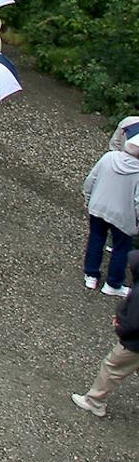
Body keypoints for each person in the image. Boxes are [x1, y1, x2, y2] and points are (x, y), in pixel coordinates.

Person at [72, 271, 139, 417]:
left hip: (134, 345)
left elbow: (134, 324)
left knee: (111, 367)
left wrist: (120, 326)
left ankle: (94, 402)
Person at [83, 136, 139, 296]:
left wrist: (87, 198)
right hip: (122, 216)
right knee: (121, 247)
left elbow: (91, 179)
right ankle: (113, 284)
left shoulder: (108, 157)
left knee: (96, 238)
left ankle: (91, 275)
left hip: (98, 207)